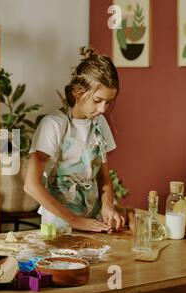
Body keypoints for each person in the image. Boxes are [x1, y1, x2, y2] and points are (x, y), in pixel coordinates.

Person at [24, 47, 126, 233]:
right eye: (98, 100)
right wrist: (74, 220)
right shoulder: (54, 125)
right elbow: (31, 185)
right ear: (79, 92)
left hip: (92, 218)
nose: (103, 109)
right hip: (58, 224)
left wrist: (108, 205)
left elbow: (104, 177)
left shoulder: (99, 123)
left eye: (108, 102)